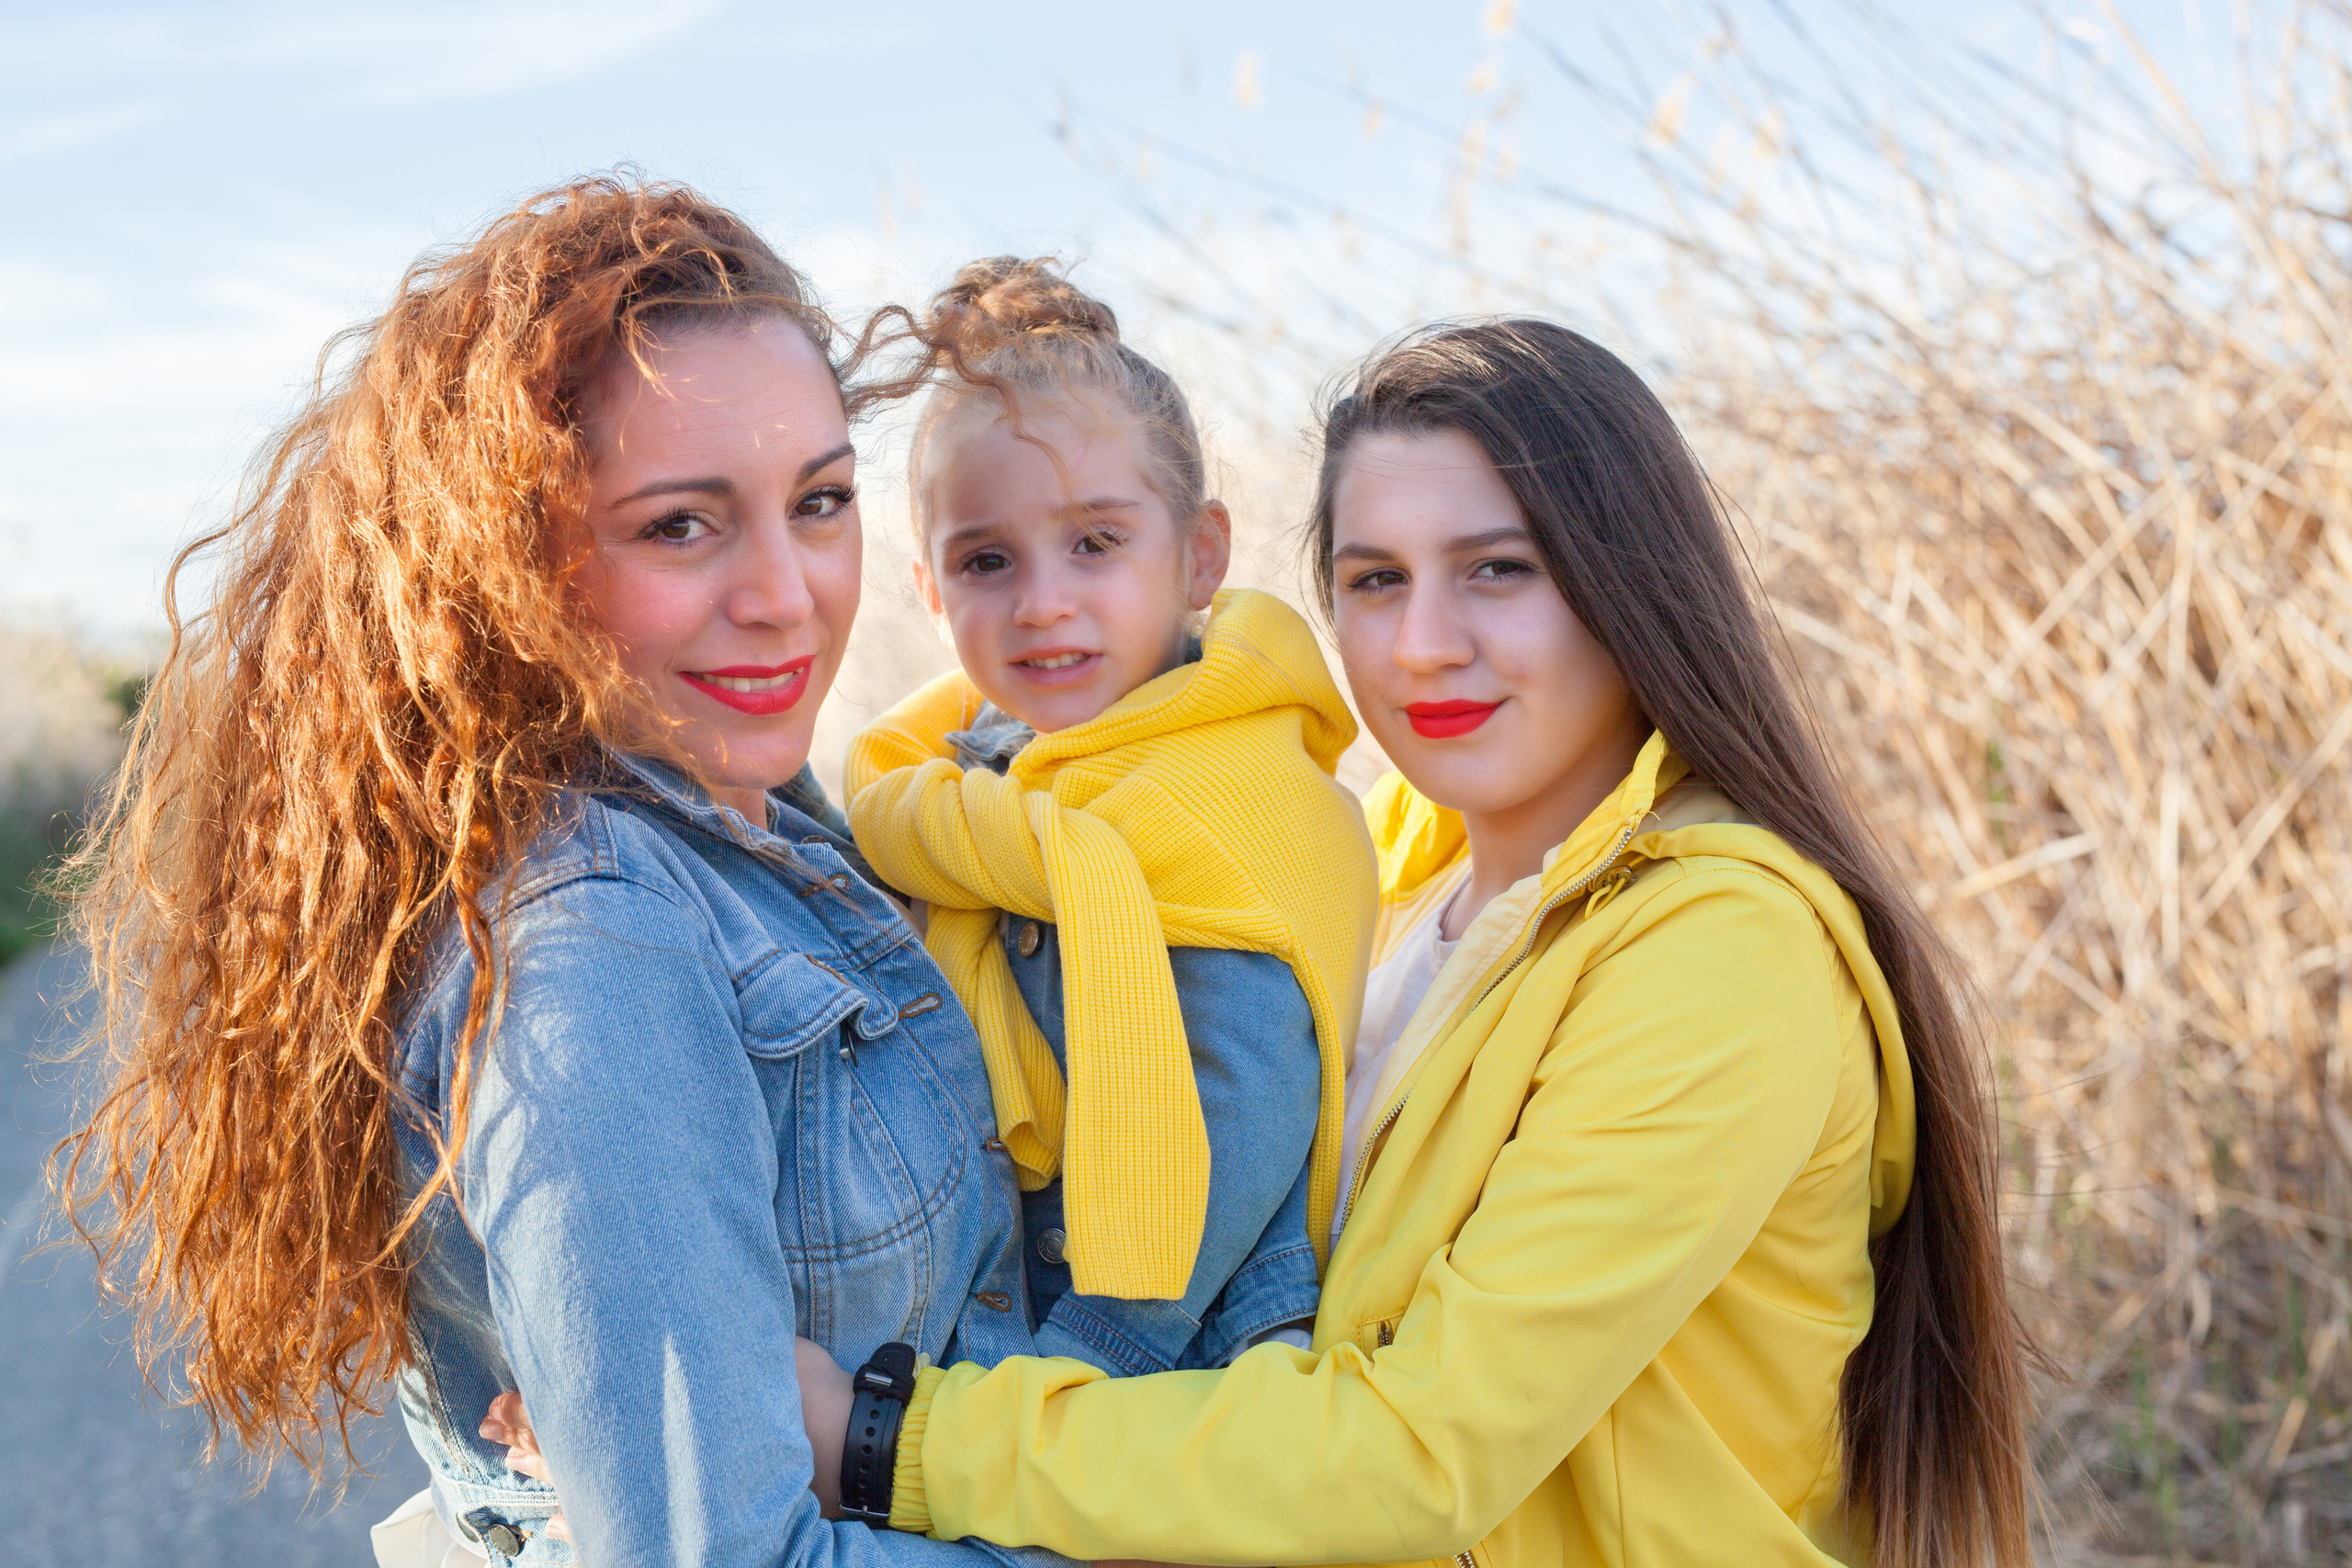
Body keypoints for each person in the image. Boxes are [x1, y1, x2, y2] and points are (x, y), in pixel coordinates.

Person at [771, 317, 2035, 1566]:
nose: (1424, 644)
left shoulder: (1721, 952)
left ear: (1628, 583)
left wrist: (900, 1441)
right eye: (1377, 580)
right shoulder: (1366, 867)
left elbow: (1422, 1451)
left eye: (1498, 570)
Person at [54, 176, 1077, 1568]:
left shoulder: (755, 810)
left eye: (820, 500)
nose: (786, 592)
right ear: (509, 562)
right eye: (679, 524)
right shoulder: (597, 943)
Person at [840, 257, 1376, 1373]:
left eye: (1096, 543)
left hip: (1181, 1352)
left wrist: (1087, 1357)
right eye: (987, 560)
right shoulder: (951, 800)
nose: (1043, 603)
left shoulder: (1237, 793)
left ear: (1199, 555)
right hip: (987, 1327)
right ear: (931, 593)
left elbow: (1247, 1103)